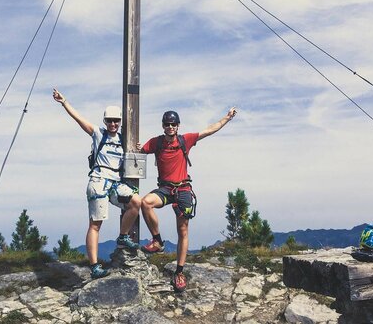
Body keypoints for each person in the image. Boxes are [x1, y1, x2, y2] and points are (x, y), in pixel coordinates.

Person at [139, 107, 237, 292]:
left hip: (183, 188)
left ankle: (179, 272)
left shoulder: (186, 140)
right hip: (165, 188)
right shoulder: (156, 142)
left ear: (178, 126)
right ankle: (157, 241)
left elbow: (210, 129)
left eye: (173, 124)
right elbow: (138, 150)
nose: (170, 127)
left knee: (182, 229)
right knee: (146, 203)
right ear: (163, 126)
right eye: (167, 124)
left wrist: (227, 118)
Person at [52, 88, 142, 279]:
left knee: (136, 202)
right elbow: (79, 119)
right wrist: (64, 102)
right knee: (95, 224)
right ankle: (94, 266)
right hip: (98, 181)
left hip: (116, 183)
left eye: (116, 120)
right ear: (104, 121)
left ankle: (123, 236)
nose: (113, 124)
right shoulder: (98, 134)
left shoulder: (124, 138)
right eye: (109, 120)